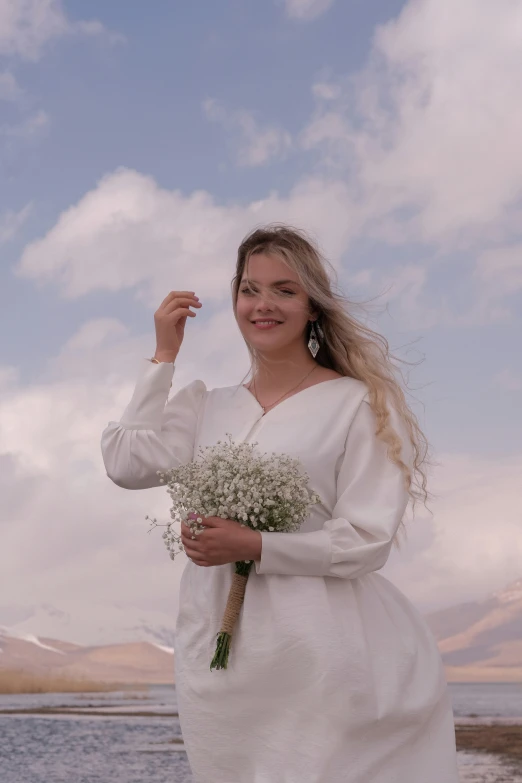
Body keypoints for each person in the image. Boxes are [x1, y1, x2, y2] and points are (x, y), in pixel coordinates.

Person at [100, 224, 460, 783]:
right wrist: (163, 357)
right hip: (219, 654)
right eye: (250, 289)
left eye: (284, 290)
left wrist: (257, 545)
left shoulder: (358, 404)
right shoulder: (205, 405)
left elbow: (367, 539)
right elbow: (127, 464)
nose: (263, 304)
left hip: (319, 650)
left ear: (313, 305)